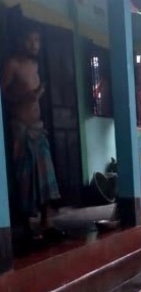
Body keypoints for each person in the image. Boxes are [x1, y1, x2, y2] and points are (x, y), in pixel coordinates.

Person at [1, 27, 65, 244]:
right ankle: (28, 225)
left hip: (37, 128)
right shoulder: (12, 65)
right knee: (26, 178)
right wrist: (24, 97)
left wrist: (36, 97)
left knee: (46, 176)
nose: (34, 45)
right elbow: (4, 94)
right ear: (20, 39)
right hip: (21, 128)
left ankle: (47, 222)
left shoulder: (35, 65)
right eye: (30, 39)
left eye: (37, 40)